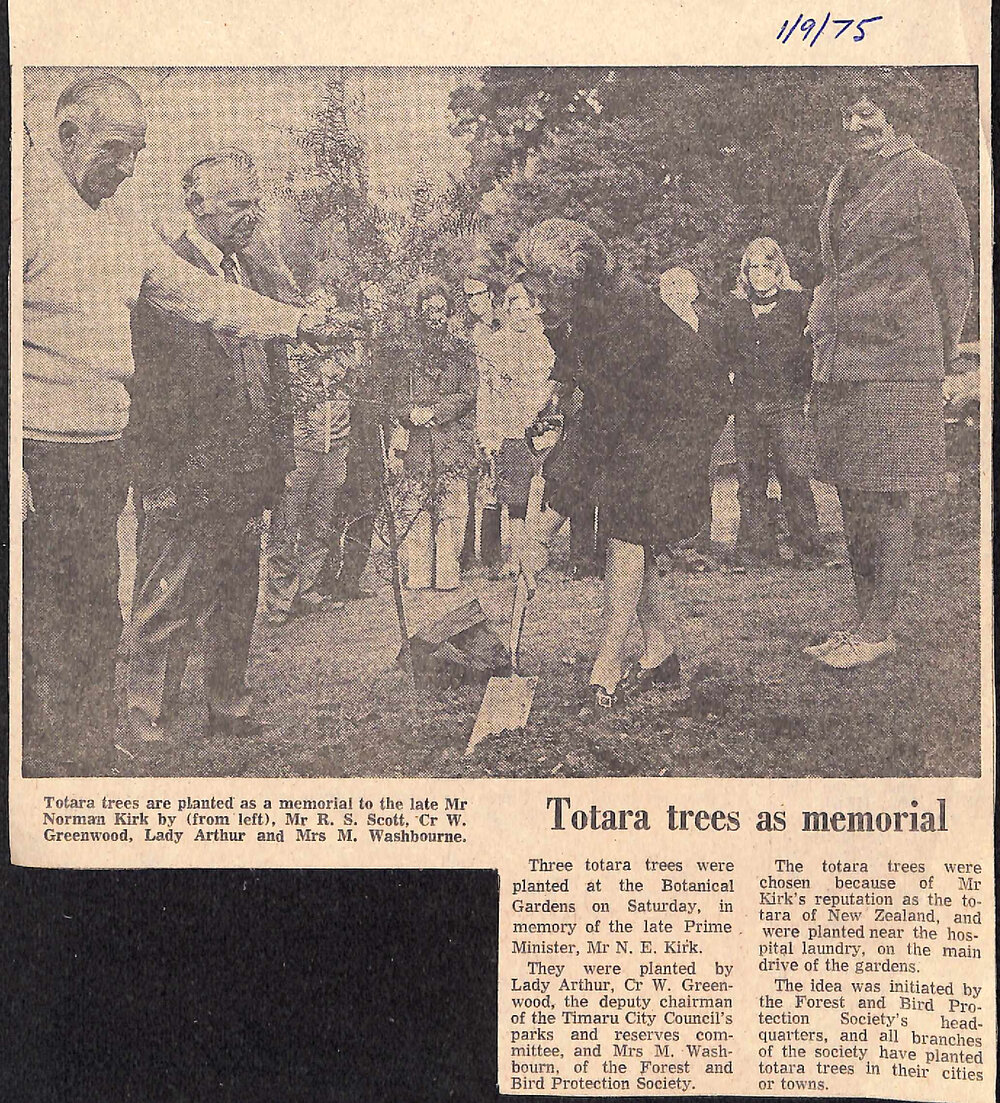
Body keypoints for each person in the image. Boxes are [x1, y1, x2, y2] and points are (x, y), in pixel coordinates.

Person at [21, 73, 346, 762]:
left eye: (138, 151)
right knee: (39, 620)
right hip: (35, 456)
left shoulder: (124, 228)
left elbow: (204, 298)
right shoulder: (25, 206)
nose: (128, 166)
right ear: (67, 133)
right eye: (115, 148)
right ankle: (39, 763)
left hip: (98, 457)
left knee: (93, 616)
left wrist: (297, 324)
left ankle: (80, 758)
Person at [124, 149, 302, 741]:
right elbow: (143, 387)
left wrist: (276, 450)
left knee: (236, 594)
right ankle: (145, 713)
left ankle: (228, 703)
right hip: (188, 471)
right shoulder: (160, 276)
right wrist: (155, 480)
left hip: (248, 469)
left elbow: (273, 358)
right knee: (164, 596)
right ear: (196, 205)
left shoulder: (253, 270)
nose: (251, 215)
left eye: (256, 202)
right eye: (236, 204)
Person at [521, 220, 730, 709]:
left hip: (683, 410)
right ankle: (659, 651)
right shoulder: (567, 313)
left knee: (625, 521)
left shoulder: (624, 313)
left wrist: (541, 529)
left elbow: (600, 428)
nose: (534, 303)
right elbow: (575, 367)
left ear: (569, 284)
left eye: (540, 293)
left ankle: (609, 661)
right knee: (628, 521)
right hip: (636, 409)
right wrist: (557, 391)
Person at [806, 72, 973, 669]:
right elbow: (836, 268)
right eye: (850, 115)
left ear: (897, 117)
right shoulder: (840, 182)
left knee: (887, 495)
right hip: (842, 363)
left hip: (899, 364)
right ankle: (861, 621)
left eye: (870, 113)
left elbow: (955, 271)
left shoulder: (925, 176)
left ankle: (881, 628)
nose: (858, 125)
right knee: (852, 494)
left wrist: (938, 357)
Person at [719, 238, 826, 565]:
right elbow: (726, 355)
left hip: (786, 404)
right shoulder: (734, 310)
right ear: (746, 273)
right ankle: (755, 551)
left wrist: (803, 388)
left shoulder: (798, 304)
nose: (760, 274)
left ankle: (808, 549)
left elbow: (813, 351)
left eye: (767, 267)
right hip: (748, 406)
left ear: (778, 270)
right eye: (754, 268)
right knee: (750, 477)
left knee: (794, 472)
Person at [266, 293, 360, 627]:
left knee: (321, 523)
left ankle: (306, 588)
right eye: (317, 309)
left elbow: (360, 371)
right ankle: (279, 598)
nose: (324, 317)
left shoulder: (347, 353)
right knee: (287, 523)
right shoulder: (293, 353)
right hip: (301, 449)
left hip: (335, 448)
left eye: (329, 309)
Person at [385, 277, 477, 592]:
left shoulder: (462, 350)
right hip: (417, 443)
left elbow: (468, 393)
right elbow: (395, 396)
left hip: (449, 440)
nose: (435, 315)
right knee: (417, 504)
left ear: (448, 311)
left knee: (450, 507)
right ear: (420, 313)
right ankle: (420, 574)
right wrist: (410, 413)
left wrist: (437, 411)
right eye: (429, 310)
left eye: (440, 309)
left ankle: (448, 573)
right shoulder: (407, 354)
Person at [477, 280, 556, 577]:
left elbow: (554, 383)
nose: (522, 314)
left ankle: (538, 551)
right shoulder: (494, 345)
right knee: (515, 499)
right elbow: (486, 394)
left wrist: (543, 406)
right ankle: (515, 557)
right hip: (510, 431)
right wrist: (487, 434)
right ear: (507, 310)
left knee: (549, 492)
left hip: (543, 430)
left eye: (527, 308)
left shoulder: (546, 344)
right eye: (516, 308)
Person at [461, 276, 503, 571]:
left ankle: (491, 554)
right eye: (468, 296)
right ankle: (463, 552)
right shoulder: (468, 332)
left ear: (490, 294)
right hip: (473, 409)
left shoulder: (507, 326)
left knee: (495, 480)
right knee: (469, 481)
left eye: (478, 293)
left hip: (498, 409)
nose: (473, 300)